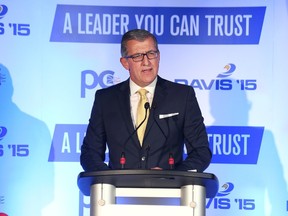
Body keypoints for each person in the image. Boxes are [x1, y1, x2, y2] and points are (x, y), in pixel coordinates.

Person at [80, 29, 211, 172]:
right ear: (125, 63)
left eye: (151, 54)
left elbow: (201, 151)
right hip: (119, 191)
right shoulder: (106, 99)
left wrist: (173, 177)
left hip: (167, 191)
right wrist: (109, 180)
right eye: (137, 56)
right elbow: (90, 153)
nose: (146, 62)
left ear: (158, 56)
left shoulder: (182, 96)